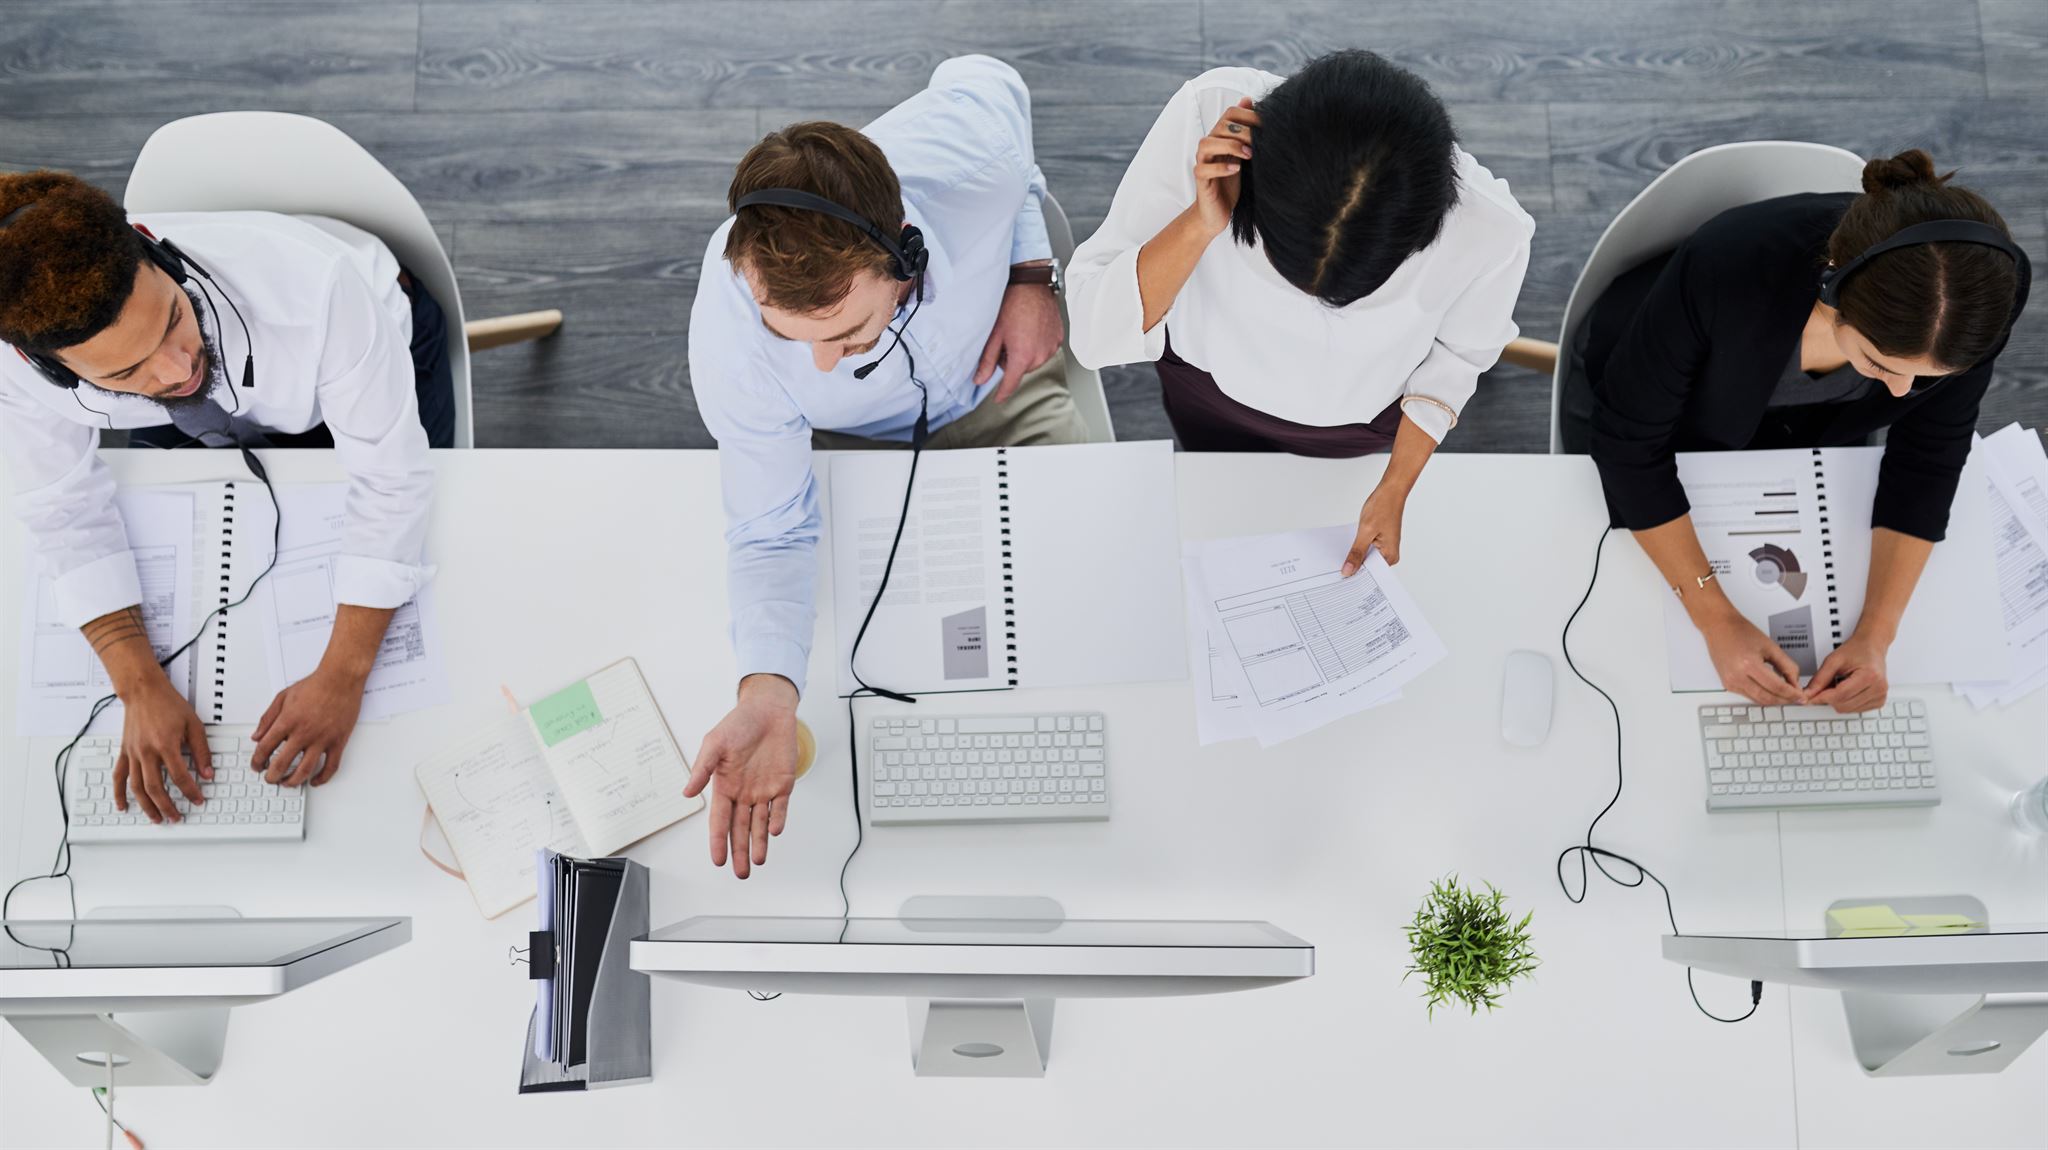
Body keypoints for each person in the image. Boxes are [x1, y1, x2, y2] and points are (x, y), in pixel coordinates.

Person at [685, 55, 1086, 878]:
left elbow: (990, 77)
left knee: (1091, 602)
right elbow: (769, 529)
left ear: (903, 257)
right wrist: (766, 687)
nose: (822, 368)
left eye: (849, 334)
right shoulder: (730, 341)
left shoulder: (967, 149)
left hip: (1001, 389)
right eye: (796, 341)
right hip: (849, 448)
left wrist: (1030, 271)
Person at [0, 171, 450, 821]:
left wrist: (342, 677)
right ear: (46, 367)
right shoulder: (16, 365)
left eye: (172, 320)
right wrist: (138, 684)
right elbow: (62, 508)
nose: (177, 369)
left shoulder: (320, 288)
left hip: (362, 358)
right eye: (126, 372)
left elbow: (391, 482)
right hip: (193, 422)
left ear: (155, 251)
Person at [1563, 150, 2029, 711]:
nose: (1904, 393)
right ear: (1832, 295)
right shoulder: (1729, 268)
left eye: (1929, 378)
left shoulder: (1966, 313)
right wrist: (1716, 620)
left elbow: (1928, 461)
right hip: (1642, 397)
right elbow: (1628, 446)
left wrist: (1876, 636)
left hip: (1802, 434)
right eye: (1880, 364)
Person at [1065, 50, 1532, 574]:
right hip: (1206, 390)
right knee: (1220, 493)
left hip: (1357, 426)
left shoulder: (1492, 229)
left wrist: (1396, 485)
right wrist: (1200, 221)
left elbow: (1459, 358)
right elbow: (1093, 336)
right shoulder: (1207, 114)